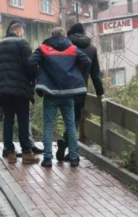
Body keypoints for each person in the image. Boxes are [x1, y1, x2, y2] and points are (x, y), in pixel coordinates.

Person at [28, 27, 91, 167]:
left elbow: (31, 63)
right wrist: (75, 75)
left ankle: (47, 159)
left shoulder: (44, 48)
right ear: (64, 36)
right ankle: (74, 158)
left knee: (48, 125)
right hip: (68, 93)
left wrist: (41, 76)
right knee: (70, 125)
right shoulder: (72, 48)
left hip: (50, 93)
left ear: (52, 36)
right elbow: (87, 62)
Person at [0, 19, 40, 164]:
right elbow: (30, 67)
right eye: (22, 33)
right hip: (20, 90)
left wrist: (3, 79)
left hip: (4, 91)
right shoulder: (22, 44)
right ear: (18, 32)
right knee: (23, 120)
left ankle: (10, 152)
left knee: (8, 119)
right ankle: (26, 153)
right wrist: (32, 78)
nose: (23, 35)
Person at [56, 23, 105, 162]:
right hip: (80, 90)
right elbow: (95, 75)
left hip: (64, 88)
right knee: (75, 120)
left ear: (70, 33)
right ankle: (70, 149)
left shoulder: (66, 45)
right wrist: (100, 92)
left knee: (68, 119)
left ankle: (67, 144)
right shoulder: (92, 48)